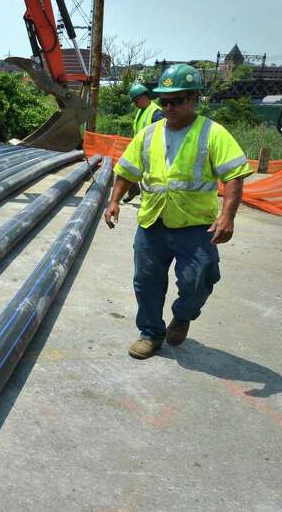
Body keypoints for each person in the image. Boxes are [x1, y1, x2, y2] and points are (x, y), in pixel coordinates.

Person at [104, 63, 252, 360]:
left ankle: (183, 316)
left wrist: (227, 216)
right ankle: (150, 333)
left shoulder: (213, 133)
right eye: (164, 100)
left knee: (199, 279)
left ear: (195, 98)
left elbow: (234, 174)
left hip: (195, 225)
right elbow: (128, 170)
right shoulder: (148, 134)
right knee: (146, 281)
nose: (168, 106)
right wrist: (115, 200)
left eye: (177, 100)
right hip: (153, 221)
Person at [123, 84, 164, 202]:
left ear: (144, 97)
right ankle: (134, 189)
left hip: (151, 154)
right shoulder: (142, 110)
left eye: (136, 100)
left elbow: (163, 135)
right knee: (128, 169)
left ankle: (147, 198)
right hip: (140, 150)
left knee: (148, 178)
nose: (135, 104)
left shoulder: (156, 113)